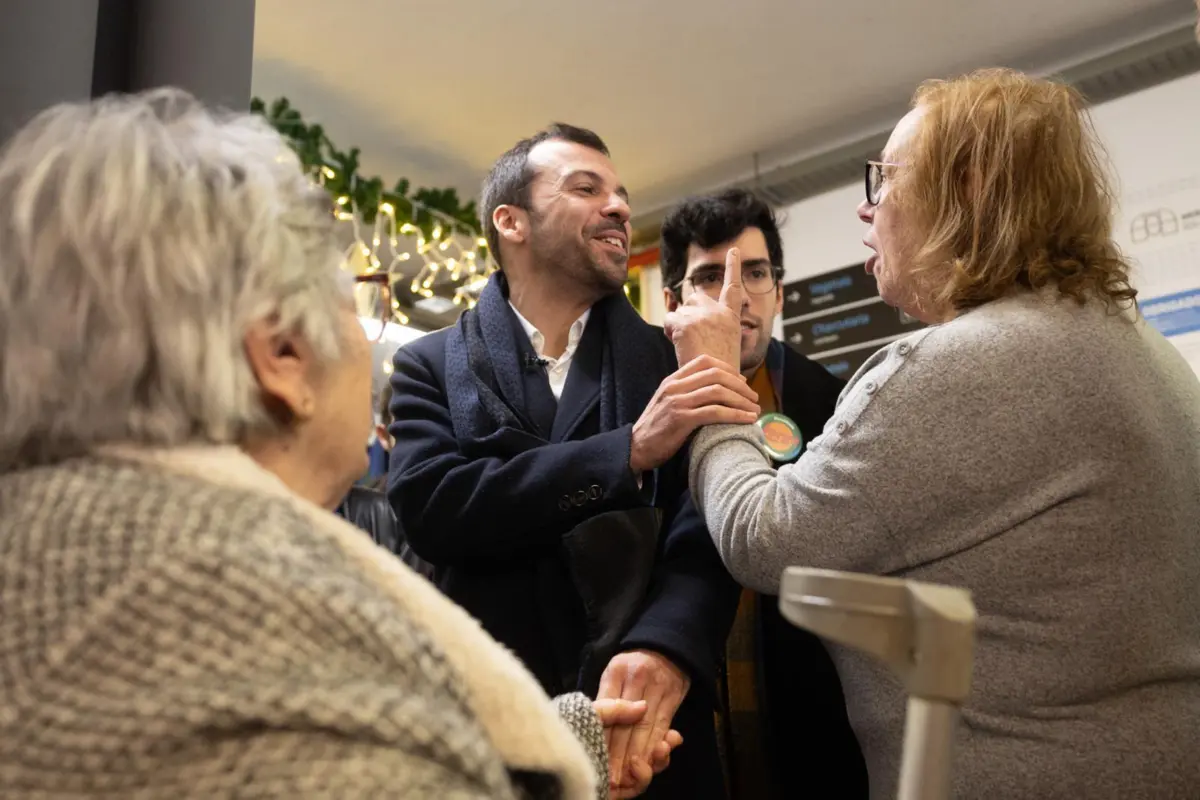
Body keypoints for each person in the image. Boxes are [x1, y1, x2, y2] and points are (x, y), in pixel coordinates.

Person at [0, 89, 675, 799]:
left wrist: (574, 736)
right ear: (283, 354)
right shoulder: (285, 626)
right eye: (357, 297)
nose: (366, 336)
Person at [665, 68, 1200, 799]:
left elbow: (764, 539)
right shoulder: (1138, 344)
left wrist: (712, 380)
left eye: (882, 180)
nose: (866, 209)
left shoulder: (961, 362)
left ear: (969, 189)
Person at [387, 123, 752, 798]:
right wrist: (629, 452)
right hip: (494, 731)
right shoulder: (428, 365)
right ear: (511, 221)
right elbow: (434, 508)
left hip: (652, 734)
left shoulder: (674, 359)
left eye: (621, 193)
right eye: (587, 188)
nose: (618, 206)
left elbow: (708, 532)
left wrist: (665, 651)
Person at [659, 188, 866, 799]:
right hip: (682, 725)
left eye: (754, 272)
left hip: (814, 722)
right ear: (672, 301)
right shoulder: (639, 410)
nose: (736, 296)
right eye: (708, 277)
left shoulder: (837, 402)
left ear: (778, 289)